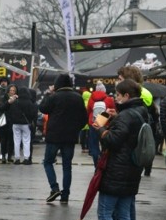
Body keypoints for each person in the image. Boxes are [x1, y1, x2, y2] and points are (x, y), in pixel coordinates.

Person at [87, 79, 147, 220]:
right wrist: (115, 116)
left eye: (118, 95)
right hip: (133, 170)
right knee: (124, 215)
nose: (115, 98)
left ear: (127, 96)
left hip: (116, 171)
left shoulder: (126, 116)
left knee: (104, 213)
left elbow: (113, 141)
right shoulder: (142, 112)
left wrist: (102, 129)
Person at [39, 73, 88, 203]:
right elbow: (84, 118)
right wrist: (76, 129)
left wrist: (49, 93)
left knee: (48, 162)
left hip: (54, 135)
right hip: (70, 137)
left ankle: (54, 188)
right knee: (67, 166)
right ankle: (65, 195)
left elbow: (43, 108)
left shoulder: (54, 97)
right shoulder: (78, 98)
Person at [117, 66, 155, 176]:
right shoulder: (140, 93)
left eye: (120, 79)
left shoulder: (141, 95)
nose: (117, 82)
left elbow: (132, 119)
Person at [0, 86, 37, 164]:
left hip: (15, 124)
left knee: (16, 141)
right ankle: (26, 158)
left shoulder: (15, 101)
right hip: (26, 124)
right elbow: (33, 114)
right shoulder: (30, 102)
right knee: (26, 141)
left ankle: (17, 158)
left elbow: (11, 112)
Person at [87, 81, 115, 167]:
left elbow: (88, 111)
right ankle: (104, 163)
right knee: (105, 145)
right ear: (104, 90)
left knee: (94, 145)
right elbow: (113, 110)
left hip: (93, 124)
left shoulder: (91, 99)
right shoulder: (109, 99)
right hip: (105, 124)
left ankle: (96, 165)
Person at [0, 84, 17, 163]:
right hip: (4, 122)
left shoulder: (16, 99)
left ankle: (9, 156)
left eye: (13, 90)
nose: (12, 92)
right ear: (8, 91)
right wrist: (9, 102)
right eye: (11, 90)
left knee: (11, 140)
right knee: (3, 140)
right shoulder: (3, 98)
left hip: (13, 122)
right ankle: (3, 156)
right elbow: (0, 108)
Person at [80, 89, 91, 154]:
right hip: (88, 122)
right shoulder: (90, 103)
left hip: (82, 122)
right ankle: (88, 147)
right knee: (89, 136)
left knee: (82, 135)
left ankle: (83, 148)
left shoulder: (81, 103)